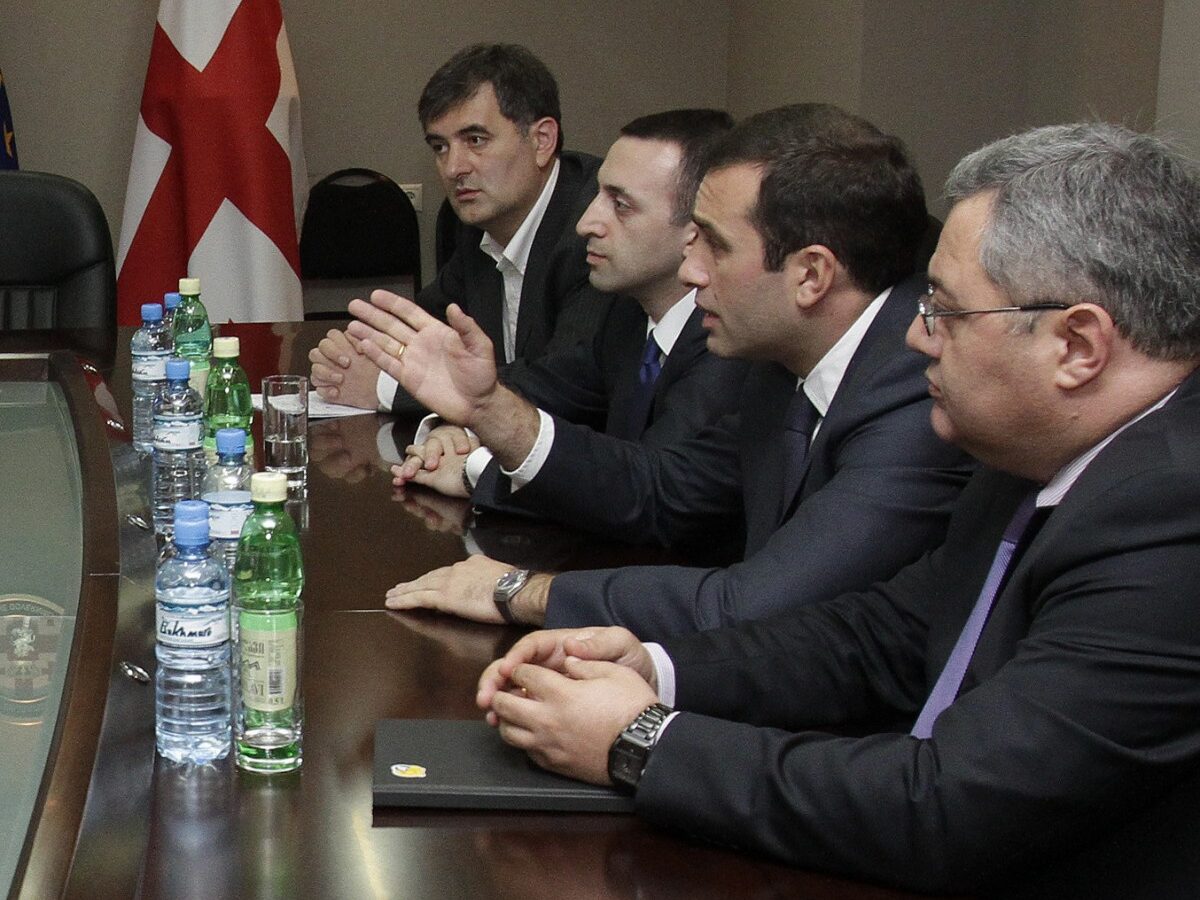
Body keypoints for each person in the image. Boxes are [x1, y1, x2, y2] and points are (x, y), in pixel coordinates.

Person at [473, 122, 1200, 895]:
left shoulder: (1171, 516)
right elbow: (877, 637)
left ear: (1079, 346)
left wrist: (642, 740)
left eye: (947, 313)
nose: (917, 337)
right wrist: (655, 666)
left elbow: (953, 805)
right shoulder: (1035, 453)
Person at [350, 104, 972, 638]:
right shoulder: (779, 356)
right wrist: (485, 411)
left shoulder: (912, 394)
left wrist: (526, 592)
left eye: (714, 244)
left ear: (811, 275)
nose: (691, 268)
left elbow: (754, 597)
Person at [391, 109, 748, 513]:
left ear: (695, 228)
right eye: (598, 194)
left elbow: (655, 492)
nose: (587, 222)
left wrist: (475, 467)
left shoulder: (729, 347)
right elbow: (552, 390)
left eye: (621, 205)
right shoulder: (628, 316)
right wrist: (464, 429)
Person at [308, 43, 611, 413]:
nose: (453, 169)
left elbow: (568, 383)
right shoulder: (478, 225)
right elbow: (427, 327)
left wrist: (386, 387)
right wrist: (359, 355)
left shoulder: (597, 225)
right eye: (440, 147)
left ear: (541, 141)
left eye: (475, 140)